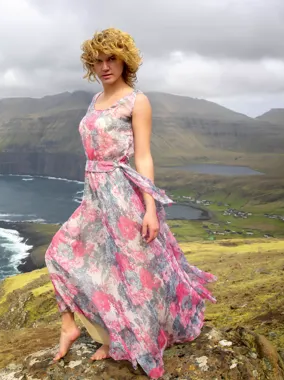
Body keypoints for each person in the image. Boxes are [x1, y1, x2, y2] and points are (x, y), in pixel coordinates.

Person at [44, 27, 217, 379]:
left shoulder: (136, 101)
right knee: (60, 253)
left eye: (112, 59)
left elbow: (144, 156)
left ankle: (118, 339)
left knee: (130, 274)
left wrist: (150, 208)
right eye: (98, 60)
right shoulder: (94, 101)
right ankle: (72, 327)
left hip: (123, 195)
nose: (105, 66)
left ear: (126, 61)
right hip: (95, 195)